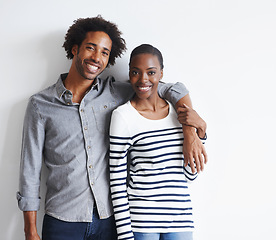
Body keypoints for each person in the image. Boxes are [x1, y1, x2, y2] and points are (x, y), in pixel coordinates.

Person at [17, 16, 207, 240]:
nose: (97, 57)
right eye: (91, 48)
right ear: (75, 48)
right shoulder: (40, 105)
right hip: (63, 220)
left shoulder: (117, 92)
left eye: (105, 52)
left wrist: (190, 131)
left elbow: (169, 88)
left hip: (109, 220)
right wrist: (30, 230)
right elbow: (30, 171)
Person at [109, 44, 207, 240]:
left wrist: (201, 132)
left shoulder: (179, 114)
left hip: (180, 220)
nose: (143, 79)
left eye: (151, 72)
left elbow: (190, 175)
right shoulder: (122, 116)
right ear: (129, 74)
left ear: (161, 74)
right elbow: (117, 182)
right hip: (142, 222)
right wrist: (125, 235)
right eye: (135, 72)